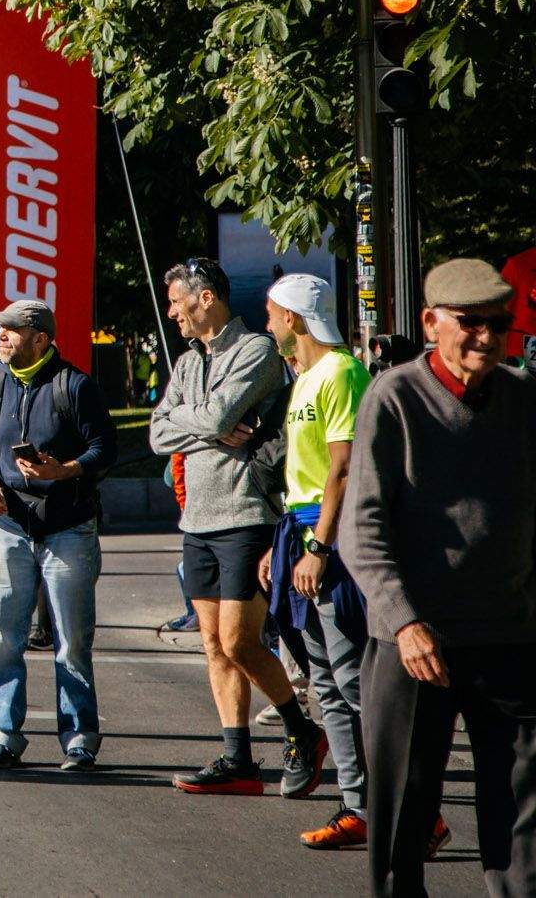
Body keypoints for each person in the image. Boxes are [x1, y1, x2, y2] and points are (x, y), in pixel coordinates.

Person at [344, 259, 531, 893]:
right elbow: (361, 527)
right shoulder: (393, 397)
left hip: (508, 634)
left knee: (522, 808)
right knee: (406, 803)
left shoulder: (524, 398)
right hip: (415, 639)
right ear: (431, 322)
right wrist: (404, 621)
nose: (485, 337)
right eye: (469, 323)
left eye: (497, 325)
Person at [148, 257, 324, 796]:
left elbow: (221, 418)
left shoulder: (255, 352)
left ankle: (301, 729)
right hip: (197, 517)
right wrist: (208, 424)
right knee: (212, 644)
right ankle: (237, 757)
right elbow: (157, 432)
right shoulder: (186, 362)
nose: (172, 312)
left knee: (241, 642)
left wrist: (202, 421)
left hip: (246, 513)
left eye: (178, 301)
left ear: (206, 298)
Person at [249, 274, 377, 849]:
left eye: (273, 314)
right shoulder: (304, 379)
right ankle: (358, 807)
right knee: (326, 680)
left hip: (333, 540)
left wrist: (319, 548)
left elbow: (344, 469)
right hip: (300, 529)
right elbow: (303, 477)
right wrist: (284, 547)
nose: (268, 324)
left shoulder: (342, 372)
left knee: (351, 679)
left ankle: (408, 810)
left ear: (295, 319)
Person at [0, 298, 117, 771]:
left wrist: (65, 470)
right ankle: (1, 735)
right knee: (2, 636)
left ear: (41, 340)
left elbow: (105, 449)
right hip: (9, 527)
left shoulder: (74, 386)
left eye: (11, 330)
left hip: (68, 528)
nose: (1, 337)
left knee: (70, 641)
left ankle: (79, 739)